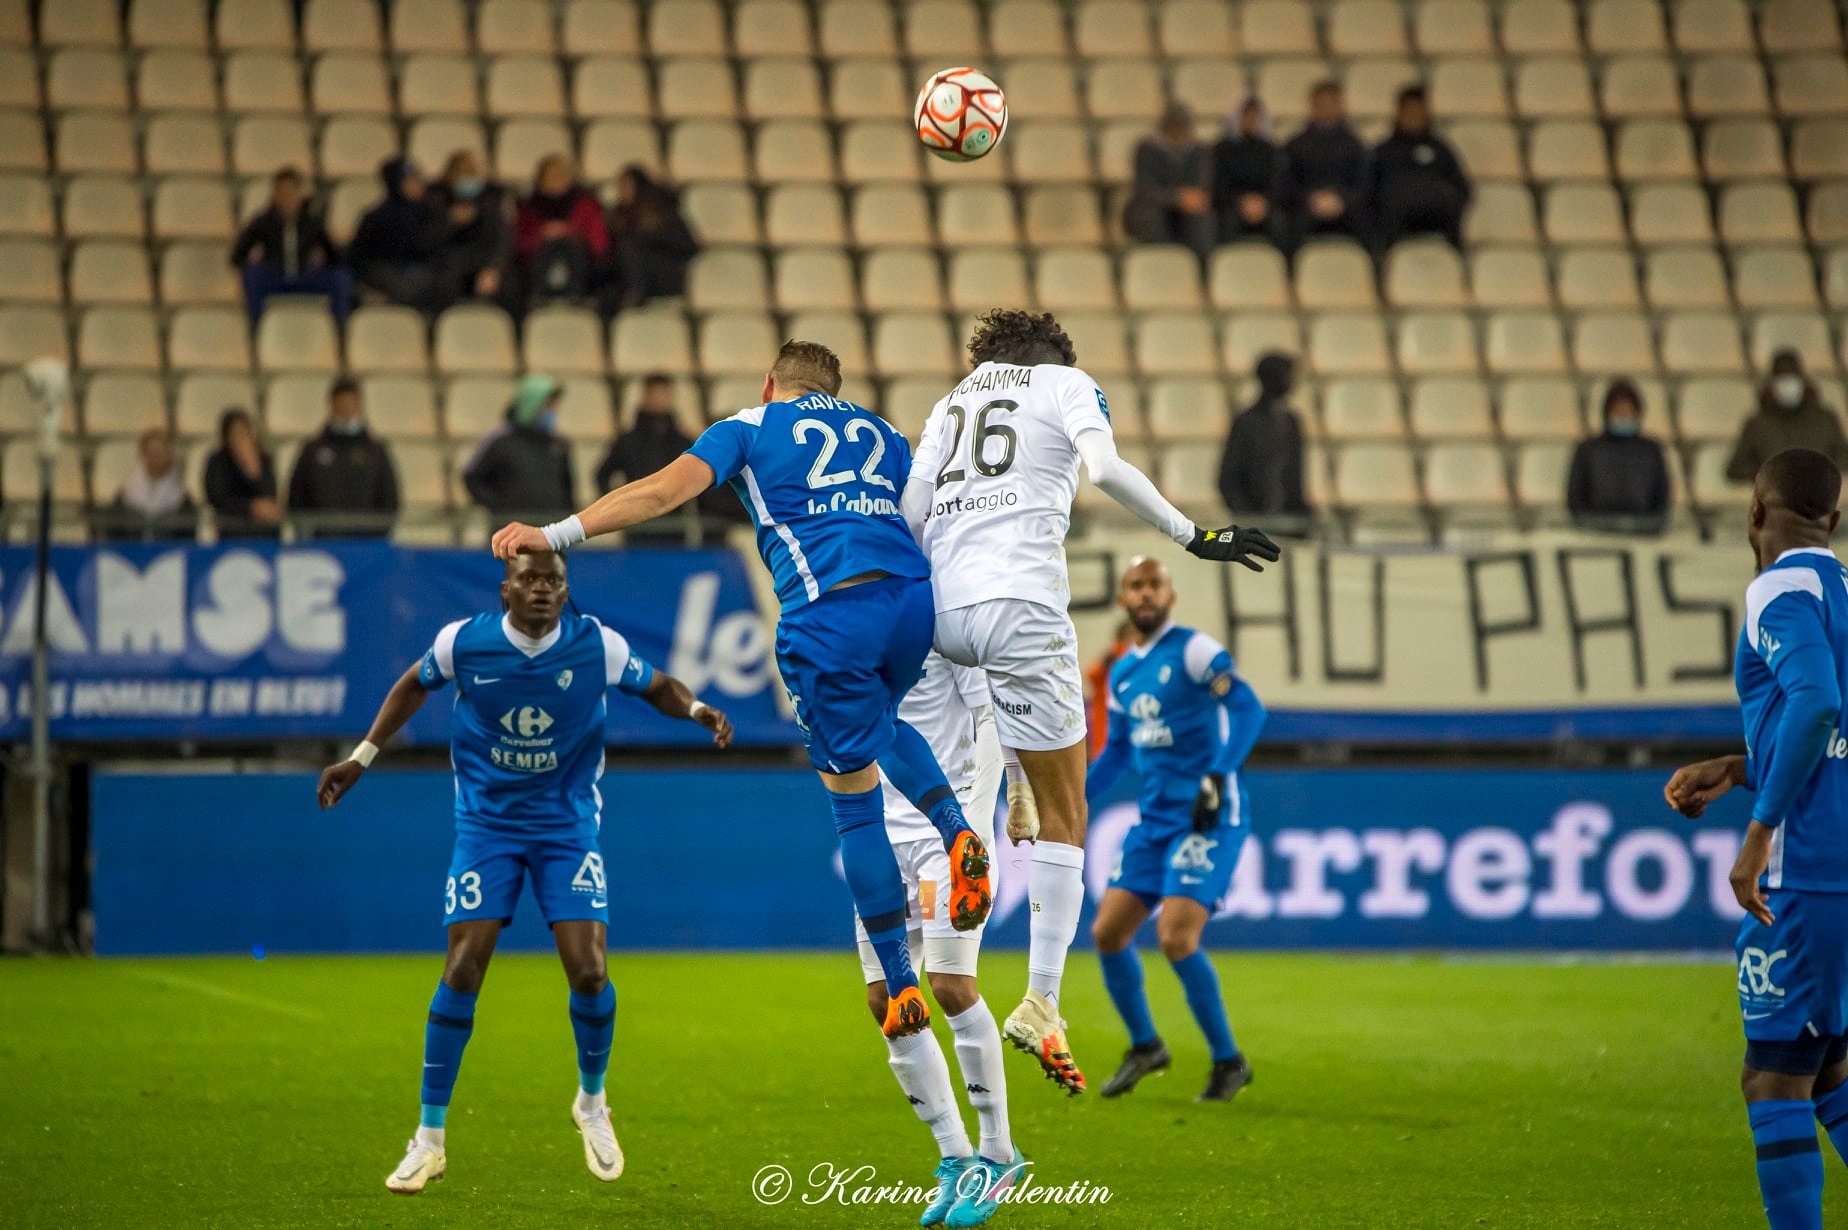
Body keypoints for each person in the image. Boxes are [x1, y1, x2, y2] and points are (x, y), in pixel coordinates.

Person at [489, 340, 995, 1046]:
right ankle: (958, 829)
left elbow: (662, 492)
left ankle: (901, 984)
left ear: (768, 384)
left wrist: (554, 534)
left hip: (829, 610)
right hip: (912, 601)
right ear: (834, 389)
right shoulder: (883, 433)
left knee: (853, 804)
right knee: (880, 723)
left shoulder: (748, 428)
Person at [899, 309, 1281, 1095]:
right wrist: (1195, 536)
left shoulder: (949, 403)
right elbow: (1104, 469)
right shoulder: (1064, 383)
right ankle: (1042, 1000)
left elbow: (911, 513)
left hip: (938, 611)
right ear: (1053, 355)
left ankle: (1006, 784)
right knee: (1065, 814)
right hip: (1020, 606)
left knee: (992, 709)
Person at [315, 550, 734, 1193]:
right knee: (463, 966)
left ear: (566, 592)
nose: (542, 589)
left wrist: (700, 709)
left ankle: (592, 1104)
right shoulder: (464, 642)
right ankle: (429, 1140)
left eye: (554, 581)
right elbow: (411, 685)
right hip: (487, 827)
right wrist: (361, 757)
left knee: (589, 970)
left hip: (566, 826)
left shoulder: (597, 645)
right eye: (530, 579)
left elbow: (656, 686)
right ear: (505, 590)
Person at [1663, 448, 1848, 1230]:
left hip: (1805, 873)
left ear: (1755, 513)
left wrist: (1759, 831)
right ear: (1832, 519)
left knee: (1773, 1081)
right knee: (1826, 1068)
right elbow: (1829, 733)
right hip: (1837, 869)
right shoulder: (1843, 593)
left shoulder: (1777, 588)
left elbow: (1817, 704)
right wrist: (1741, 769)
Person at [1087, 558, 1265, 1105]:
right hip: (1156, 820)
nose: (1145, 594)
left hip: (1207, 816)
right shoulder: (1122, 673)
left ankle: (1228, 1060)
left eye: (1154, 585)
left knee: (1175, 937)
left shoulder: (1194, 650)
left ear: (1170, 595)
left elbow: (1249, 709)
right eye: (1136, 586)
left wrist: (1219, 773)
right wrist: (1072, 800)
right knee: (1108, 933)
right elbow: (1117, 751)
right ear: (1123, 598)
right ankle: (1146, 1046)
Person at [858, 651, 1023, 1227]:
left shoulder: (936, 623)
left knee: (950, 985)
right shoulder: (849, 632)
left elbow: (990, 721)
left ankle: (998, 1153)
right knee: (885, 999)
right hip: (880, 836)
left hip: (943, 836)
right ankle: (955, 1155)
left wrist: (968, 828)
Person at [230, 167, 351, 324]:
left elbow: (334, 256)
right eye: (282, 193)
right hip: (274, 278)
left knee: (339, 277)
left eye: (291, 193)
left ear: (299, 195)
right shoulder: (263, 222)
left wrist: (320, 262)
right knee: (253, 274)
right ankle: (256, 326)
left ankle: (339, 326)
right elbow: (238, 255)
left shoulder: (312, 223)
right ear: (275, 195)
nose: (287, 199)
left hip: (305, 277)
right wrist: (254, 263)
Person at [286, 377, 401, 539]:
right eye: (342, 404)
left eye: (351, 404)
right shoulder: (312, 451)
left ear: (359, 405)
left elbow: (389, 499)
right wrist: (307, 533)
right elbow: (296, 497)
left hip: (366, 543)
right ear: (331, 404)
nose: (346, 409)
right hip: (321, 542)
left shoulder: (376, 452)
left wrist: (377, 535)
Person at [1369, 85, 1471, 253]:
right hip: (1395, 222)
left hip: (1438, 216)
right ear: (1399, 113)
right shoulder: (1383, 151)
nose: (1414, 116)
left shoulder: (1440, 149)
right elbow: (1369, 190)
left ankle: (1455, 258)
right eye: (1409, 111)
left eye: (1418, 111)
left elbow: (1462, 187)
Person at [462, 375, 576, 523]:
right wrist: (499, 508)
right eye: (548, 406)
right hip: (510, 528)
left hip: (550, 528)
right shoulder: (499, 441)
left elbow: (568, 489)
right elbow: (473, 478)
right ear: (531, 404)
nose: (552, 412)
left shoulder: (559, 445)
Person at [1566, 379, 1672, 533]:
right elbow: (1575, 497)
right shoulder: (1588, 449)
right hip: (1595, 529)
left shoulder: (1651, 450)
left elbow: (1662, 496)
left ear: (1637, 414)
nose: (1623, 416)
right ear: (1607, 413)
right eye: (1618, 411)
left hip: (1642, 528)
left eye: (1628, 412)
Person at [1727, 350, 1848, 482]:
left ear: (1803, 381)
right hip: (1775, 490)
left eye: (1792, 379)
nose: (1788, 386)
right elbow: (1736, 468)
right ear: (1771, 385)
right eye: (1782, 380)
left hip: (1819, 489)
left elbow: (1843, 457)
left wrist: (1820, 472)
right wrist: (1770, 473)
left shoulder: (1825, 419)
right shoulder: (1757, 424)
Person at [1218, 352, 1310, 523]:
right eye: (1288, 375)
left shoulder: (1292, 422)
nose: (1293, 381)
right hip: (1255, 518)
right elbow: (1229, 478)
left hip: (1289, 519)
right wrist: (1247, 517)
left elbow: (1295, 476)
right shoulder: (1246, 422)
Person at [347, 158, 447, 314]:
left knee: (442, 280)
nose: (418, 184)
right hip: (384, 271)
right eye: (411, 180)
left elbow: (432, 247)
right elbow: (357, 256)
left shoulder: (429, 212)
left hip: (417, 272)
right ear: (398, 184)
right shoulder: (377, 216)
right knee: (407, 287)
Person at [1280, 80, 1369, 250]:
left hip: (1345, 206)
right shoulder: (1296, 145)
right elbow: (1289, 183)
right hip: (1307, 205)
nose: (1326, 109)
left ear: (1340, 106)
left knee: (1366, 221)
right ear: (1312, 106)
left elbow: (1362, 182)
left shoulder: (1354, 145)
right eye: (1321, 104)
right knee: (1290, 224)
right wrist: (1310, 200)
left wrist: (1342, 200)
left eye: (1331, 104)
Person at [1123, 102, 1215, 265]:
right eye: (1174, 125)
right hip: (1154, 205)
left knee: (1203, 217)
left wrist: (1191, 198)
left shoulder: (1199, 150)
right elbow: (1145, 188)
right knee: (1151, 216)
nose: (1177, 130)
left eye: (1181, 126)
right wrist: (1176, 198)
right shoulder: (1147, 149)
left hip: (1186, 209)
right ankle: (1159, 266)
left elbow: (1203, 182)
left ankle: (1200, 269)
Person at [514, 154, 608, 307]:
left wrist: (569, 230)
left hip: (581, 258)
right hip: (537, 258)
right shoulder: (530, 207)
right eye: (550, 176)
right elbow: (520, 244)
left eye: (559, 175)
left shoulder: (584, 203)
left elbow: (598, 242)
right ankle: (539, 295)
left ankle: (576, 295)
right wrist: (542, 232)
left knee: (571, 245)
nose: (555, 180)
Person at [424, 150, 511, 313]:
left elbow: (501, 239)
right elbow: (426, 241)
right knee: (441, 284)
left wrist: (492, 268)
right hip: (446, 266)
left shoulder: (491, 199)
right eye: (461, 174)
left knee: (509, 285)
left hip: (481, 261)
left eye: (471, 174)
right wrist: (449, 221)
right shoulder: (435, 199)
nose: (467, 180)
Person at [605, 165, 700, 311]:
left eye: (627, 186)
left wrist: (652, 238)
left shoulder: (662, 212)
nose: (622, 192)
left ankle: (635, 293)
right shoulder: (618, 216)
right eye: (620, 187)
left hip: (666, 275)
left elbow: (688, 247)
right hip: (631, 277)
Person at [1211, 96, 1284, 247]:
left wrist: (1263, 201)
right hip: (1232, 203)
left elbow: (1277, 181)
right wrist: (1240, 201)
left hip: (1263, 203)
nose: (1251, 121)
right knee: (1225, 220)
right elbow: (1219, 184)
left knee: (1279, 220)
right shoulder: (1222, 149)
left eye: (1255, 117)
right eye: (1247, 116)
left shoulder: (1269, 149)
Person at [202, 408, 280, 539]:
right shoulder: (218, 461)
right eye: (235, 432)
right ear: (226, 436)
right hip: (231, 529)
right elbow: (217, 498)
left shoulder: (263, 459)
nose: (241, 437)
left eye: (244, 431)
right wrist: (251, 507)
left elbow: (270, 494)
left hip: (263, 530)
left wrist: (253, 468)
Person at [105, 427, 193, 540]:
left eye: (160, 452)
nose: (156, 457)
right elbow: (114, 533)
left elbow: (188, 536)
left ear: (169, 455)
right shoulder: (125, 494)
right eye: (151, 453)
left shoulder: (183, 498)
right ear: (142, 455)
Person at [1085, 621, 1134, 759]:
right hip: (1108, 726)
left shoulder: (1113, 656)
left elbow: (1091, 675)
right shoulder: (1118, 655)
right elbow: (1092, 675)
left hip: (1112, 729)